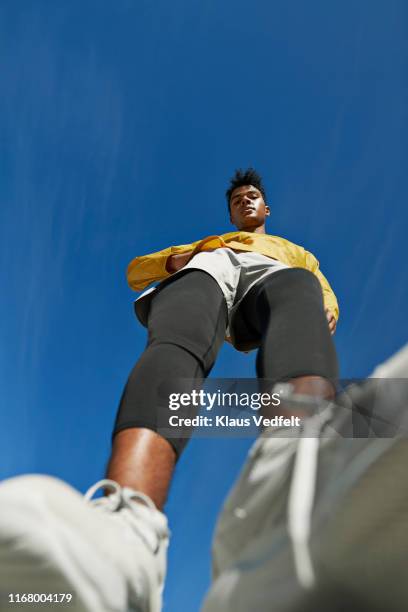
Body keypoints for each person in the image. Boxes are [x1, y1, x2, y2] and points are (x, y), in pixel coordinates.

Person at [0, 168, 339, 612]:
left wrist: (322, 307)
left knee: (299, 289)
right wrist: (180, 260)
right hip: (209, 270)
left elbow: (324, 298)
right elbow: (137, 271)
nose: (245, 202)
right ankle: (128, 531)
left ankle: (301, 503)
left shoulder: (297, 253)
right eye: (237, 200)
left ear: (266, 208)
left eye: (253, 197)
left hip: (273, 273)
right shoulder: (208, 245)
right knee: (179, 328)